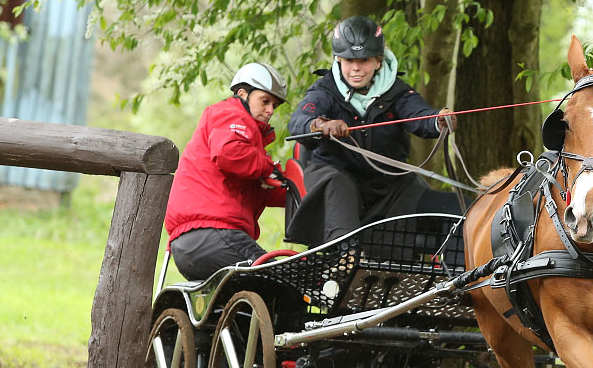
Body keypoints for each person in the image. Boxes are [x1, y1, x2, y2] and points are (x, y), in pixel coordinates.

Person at [287, 15, 459, 247]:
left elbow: (419, 116)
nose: (356, 68)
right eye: (349, 60)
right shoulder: (323, 90)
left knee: (459, 210)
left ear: (378, 61)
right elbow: (298, 122)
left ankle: (461, 280)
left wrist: (438, 121)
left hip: (392, 189)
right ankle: (346, 262)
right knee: (337, 183)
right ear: (338, 59)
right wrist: (320, 125)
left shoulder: (397, 92)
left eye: (364, 60)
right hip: (338, 184)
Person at [165, 62, 290, 281]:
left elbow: (267, 187)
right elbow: (228, 152)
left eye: (275, 105)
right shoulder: (232, 114)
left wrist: (299, 189)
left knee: (249, 298)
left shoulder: (248, 148)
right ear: (242, 93)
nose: (270, 110)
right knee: (284, 282)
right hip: (213, 233)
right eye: (265, 101)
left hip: (187, 245)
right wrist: (268, 169)